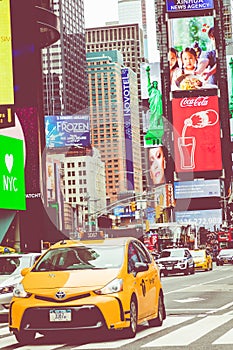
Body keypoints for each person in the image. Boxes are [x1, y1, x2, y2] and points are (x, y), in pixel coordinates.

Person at [145, 66, 164, 145]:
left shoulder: (158, 91)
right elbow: (148, 81)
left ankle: (157, 125)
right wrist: (148, 73)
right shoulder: (151, 90)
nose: (156, 85)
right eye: (154, 83)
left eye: (156, 84)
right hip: (153, 105)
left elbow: (161, 98)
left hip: (158, 105)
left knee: (159, 115)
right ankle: (154, 126)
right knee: (154, 116)